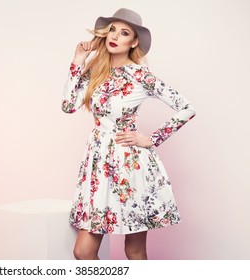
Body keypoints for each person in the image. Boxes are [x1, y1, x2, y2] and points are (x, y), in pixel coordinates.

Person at [61, 8, 196, 260]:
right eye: (112, 29)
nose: (115, 36)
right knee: (83, 251)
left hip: (129, 165)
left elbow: (187, 107)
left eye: (124, 33)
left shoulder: (141, 75)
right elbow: (68, 105)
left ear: (133, 42)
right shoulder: (95, 71)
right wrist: (78, 57)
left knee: (133, 251)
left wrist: (151, 139)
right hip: (98, 163)